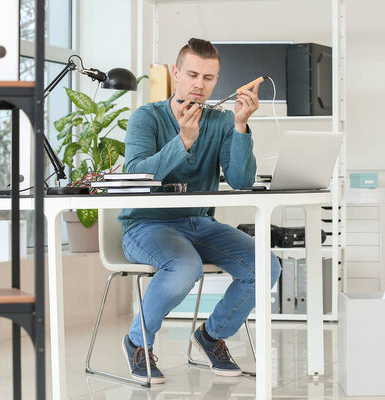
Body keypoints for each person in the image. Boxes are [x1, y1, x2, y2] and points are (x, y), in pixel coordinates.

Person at [118, 38, 281, 384]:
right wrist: (184, 142)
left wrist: (239, 126)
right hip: (146, 226)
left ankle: (211, 334)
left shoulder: (221, 121)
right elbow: (137, 177)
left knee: (267, 265)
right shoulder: (146, 118)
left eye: (209, 78)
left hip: (200, 224)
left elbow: (240, 181)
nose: (199, 85)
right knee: (185, 265)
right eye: (192, 75)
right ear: (176, 74)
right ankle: (137, 341)